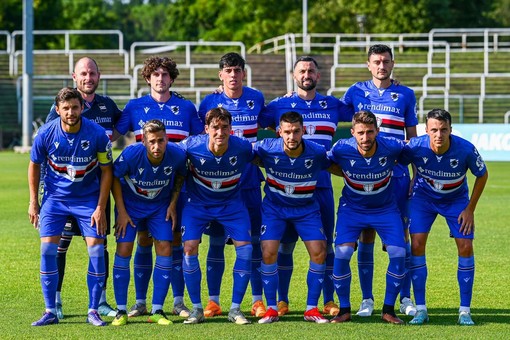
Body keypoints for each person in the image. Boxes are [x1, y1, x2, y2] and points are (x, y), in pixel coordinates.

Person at [258, 56, 353, 317]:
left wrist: (390, 85)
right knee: (285, 245)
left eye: (311, 70)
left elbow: (363, 113)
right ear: (293, 75)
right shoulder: (278, 105)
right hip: (284, 189)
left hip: (319, 187)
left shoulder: (333, 105)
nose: (307, 74)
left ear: (318, 76)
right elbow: (251, 117)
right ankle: (282, 299)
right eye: (302, 70)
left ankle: (328, 300)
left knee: (324, 246)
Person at [115, 55, 203, 318]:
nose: (161, 79)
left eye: (165, 75)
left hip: (177, 186)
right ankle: (140, 303)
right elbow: (109, 135)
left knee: (175, 240)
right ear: (148, 78)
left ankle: (177, 302)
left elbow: (202, 139)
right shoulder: (134, 107)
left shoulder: (186, 108)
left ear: (172, 78)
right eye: (156, 75)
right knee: (143, 240)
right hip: (140, 192)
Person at [341, 44, 418, 317]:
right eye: (376, 61)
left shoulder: (406, 94)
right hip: (367, 173)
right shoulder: (354, 92)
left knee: (403, 237)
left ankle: (405, 297)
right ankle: (367, 299)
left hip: (396, 174)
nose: (381, 66)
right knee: (366, 234)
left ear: (392, 63)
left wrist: (414, 175)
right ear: (368, 64)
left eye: (385, 61)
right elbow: (329, 110)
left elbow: (412, 138)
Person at [44, 57, 122, 319]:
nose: (88, 78)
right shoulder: (64, 105)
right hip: (64, 192)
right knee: (59, 245)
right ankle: (54, 301)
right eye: (83, 74)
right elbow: (46, 150)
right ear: (74, 77)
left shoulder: (108, 107)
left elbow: (127, 126)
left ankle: (100, 301)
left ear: (99, 76)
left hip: (96, 192)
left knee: (100, 246)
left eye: (92, 73)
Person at [28, 87, 113, 326]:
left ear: (82, 108)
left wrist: (100, 207)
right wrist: (34, 201)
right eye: (65, 108)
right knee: (47, 251)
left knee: (96, 250)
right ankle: (50, 311)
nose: (71, 112)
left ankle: (93, 310)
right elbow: (34, 165)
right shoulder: (46, 133)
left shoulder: (97, 134)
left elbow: (107, 171)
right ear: (58, 110)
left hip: (88, 200)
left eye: (75, 107)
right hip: (55, 200)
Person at [400, 109, 488, 326]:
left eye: (443, 130)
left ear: (450, 130)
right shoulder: (415, 146)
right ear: (426, 131)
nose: (438, 134)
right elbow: (398, 161)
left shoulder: (465, 149)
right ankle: (421, 309)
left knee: (465, 246)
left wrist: (470, 209)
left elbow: (482, 175)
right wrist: (412, 178)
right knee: (417, 245)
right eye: (434, 130)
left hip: (456, 201)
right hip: (423, 198)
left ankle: (464, 311)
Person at [197, 52, 267, 318]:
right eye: (228, 70)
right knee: (215, 241)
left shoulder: (256, 98)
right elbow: (199, 134)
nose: (233, 75)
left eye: (238, 70)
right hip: (217, 180)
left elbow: (273, 118)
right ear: (221, 75)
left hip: (248, 179)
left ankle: (257, 300)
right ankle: (213, 301)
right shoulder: (209, 101)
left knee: (253, 241)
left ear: (243, 73)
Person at [327, 110, 407, 324]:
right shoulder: (341, 148)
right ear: (352, 132)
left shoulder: (392, 146)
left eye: (370, 132)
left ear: (377, 132)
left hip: (385, 209)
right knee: (342, 254)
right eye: (360, 133)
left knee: (399, 253)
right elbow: (324, 162)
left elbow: (415, 153)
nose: (365, 138)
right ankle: (344, 309)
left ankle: (388, 309)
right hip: (352, 209)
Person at [254, 111, 331, 324]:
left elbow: (337, 166)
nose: (291, 136)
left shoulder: (317, 152)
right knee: (268, 252)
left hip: (306, 209)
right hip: (275, 209)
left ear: (303, 131)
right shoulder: (266, 148)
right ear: (279, 132)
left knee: (319, 252)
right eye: (287, 132)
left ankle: (311, 309)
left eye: (296, 131)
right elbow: (243, 152)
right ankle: (271, 308)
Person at [179, 107, 254, 325]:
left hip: (231, 204)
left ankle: (235, 309)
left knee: (247, 249)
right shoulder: (191, 147)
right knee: (189, 248)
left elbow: (268, 156)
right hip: (198, 205)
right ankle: (196, 309)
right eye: (215, 127)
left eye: (224, 127)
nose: (220, 132)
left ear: (231, 129)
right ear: (206, 129)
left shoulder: (243, 148)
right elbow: (167, 155)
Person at [110, 119, 187, 326]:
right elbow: (114, 178)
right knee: (124, 248)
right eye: (152, 141)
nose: (156, 146)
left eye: (161, 141)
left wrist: (172, 204)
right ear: (143, 141)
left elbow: (181, 174)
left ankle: (157, 310)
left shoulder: (177, 154)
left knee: (165, 247)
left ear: (167, 139)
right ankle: (121, 311)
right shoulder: (130, 154)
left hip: (159, 207)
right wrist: (122, 212)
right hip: (130, 208)